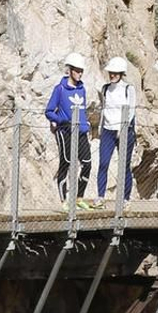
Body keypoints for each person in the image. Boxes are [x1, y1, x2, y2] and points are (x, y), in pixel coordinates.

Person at [45, 54, 91, 206]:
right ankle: (64, 200)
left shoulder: (82, 89)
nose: (79, 73)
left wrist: (85, 124)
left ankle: (79, 198)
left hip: (81, 131)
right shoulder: (59, 89)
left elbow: (83, 110)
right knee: (66, 162)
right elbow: (49, 111)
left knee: (87, 163)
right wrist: (61, 121)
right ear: (69, 70)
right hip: (65, 131)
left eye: (81, 71)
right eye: (77, 70)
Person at [96, 57, 137, 203]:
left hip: (124, 131)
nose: (112, 75)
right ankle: (100, 195)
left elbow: (131, 110)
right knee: (103, 163)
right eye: (111, 72)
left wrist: (123, 127)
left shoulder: (128, 89)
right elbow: (104, 107)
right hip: (108, 130)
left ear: (121, 73)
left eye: (115, 72)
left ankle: (125, 197)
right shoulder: (105, 88)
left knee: (124, 165)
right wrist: (101, 126)